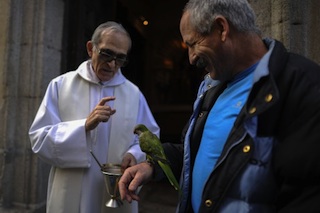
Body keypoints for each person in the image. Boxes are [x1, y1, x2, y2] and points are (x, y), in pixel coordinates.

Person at [119, 0, 320, 212]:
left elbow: (306, 195)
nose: (190, 58)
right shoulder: (211, 86)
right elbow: (202, 156)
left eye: (193, 44)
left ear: (222, 29)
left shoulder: (302, 86)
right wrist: (154, 165)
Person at [29, 21, 160, 213]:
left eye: (120, 58)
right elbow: (39, 139)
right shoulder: (60, 86)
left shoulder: (133, 94)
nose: (112, 64)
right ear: (91, 48)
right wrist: (84, 127)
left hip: (116, 190)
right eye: (107, 53)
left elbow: (149, 137)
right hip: (70, 192)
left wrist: (134, 154)